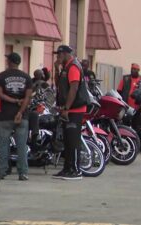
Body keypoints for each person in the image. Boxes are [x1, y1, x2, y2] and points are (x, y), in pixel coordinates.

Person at [52, 45, 89, 180]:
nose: (57, 57)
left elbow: (73, 88)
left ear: (66, 54)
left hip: (74, 109)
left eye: (59, 54)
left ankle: (75, 170)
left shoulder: (73, 67)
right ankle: (67, 168)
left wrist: (67, 109)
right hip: (68, 109)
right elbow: (59, 86)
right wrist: (56, 69)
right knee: (67, 141)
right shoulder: (65, 68)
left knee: (73, 140)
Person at [0, 52, 33, 181]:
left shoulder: (2, 76)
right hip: (22, 116)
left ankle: (2, 171)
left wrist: (13, 101)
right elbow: (27, 98)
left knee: (3, 145)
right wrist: (20, 112)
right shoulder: (27, 77)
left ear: (9, 62)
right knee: (22, 145)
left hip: (5, 115)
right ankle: (23, 173)